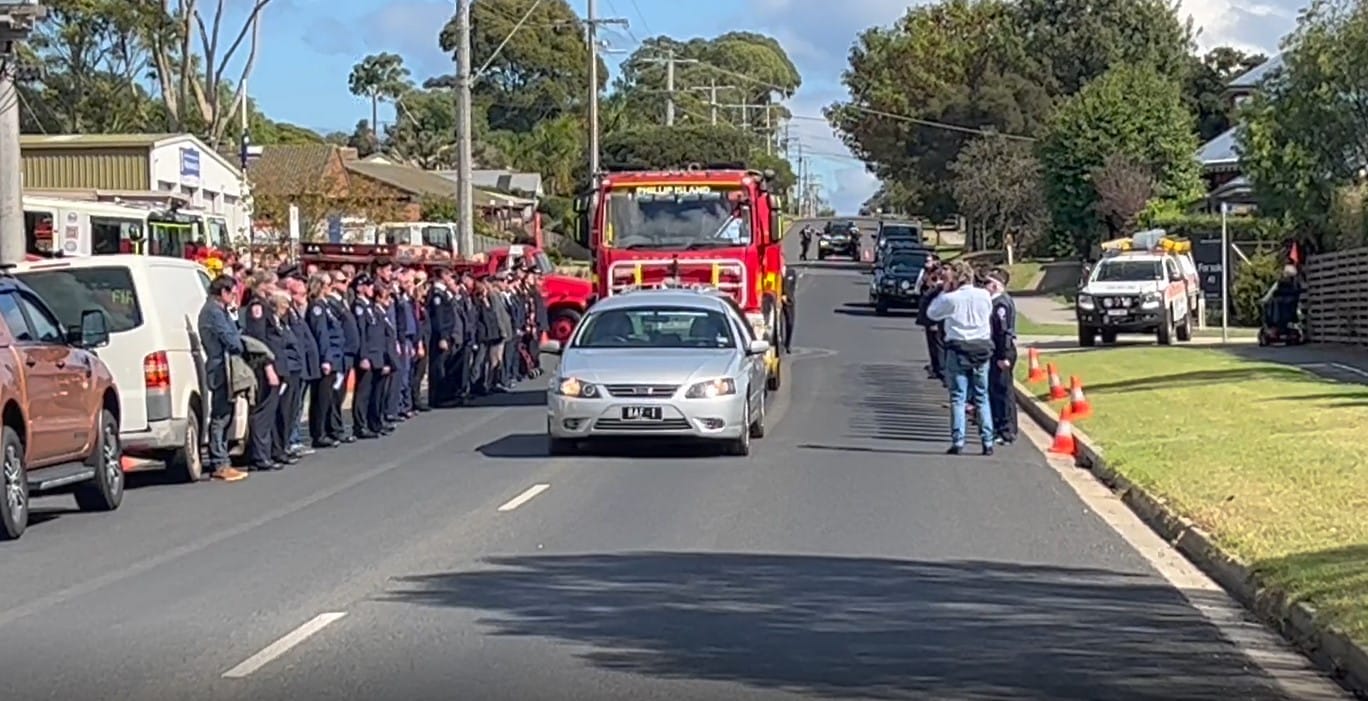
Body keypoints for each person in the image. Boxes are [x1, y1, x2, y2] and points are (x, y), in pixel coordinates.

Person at [926, 261, 996, 456]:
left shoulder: (951, 299)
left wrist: (944, 291)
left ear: (955, 279)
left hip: (958, 348)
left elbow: (932, 313)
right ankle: (987, 441)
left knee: (958, 397)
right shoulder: (984, 296)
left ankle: (958, 440)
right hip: (981, 348)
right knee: (982, 395)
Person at [197, 275, 248, 482]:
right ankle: (219, 462)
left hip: (225, 366)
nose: (234, 297)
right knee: (221, 416)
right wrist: (239, 342)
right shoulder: (213, 312)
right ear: (223, 292)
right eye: (232, 293)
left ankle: (223, 459)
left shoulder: (222, 311)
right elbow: (231, 339)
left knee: (227, 414)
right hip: (220, 368)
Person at [240, 272, 284, 471]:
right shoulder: (257, 306)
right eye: (273, 283)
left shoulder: (265, 305)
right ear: (263, 285)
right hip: (263, 366)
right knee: (263, 411)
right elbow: (259, 341)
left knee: (270, 410)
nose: (275, 287)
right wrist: (268, 366)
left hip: (272, 363)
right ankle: (259, 455)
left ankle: (266, 452)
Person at [306, 273, 344, 448]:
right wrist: (326, 359)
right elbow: (321, 334)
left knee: (327, 397)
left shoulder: (326, 305)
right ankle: (318, 433)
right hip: (326, 357)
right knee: (320, 399)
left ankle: (325, 431)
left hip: (334, 354)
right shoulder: (317, 307)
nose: (331, 288)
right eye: (328, 285)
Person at [270, 292, 304, 466]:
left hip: (294, 369)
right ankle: (278, 449)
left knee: (291, 411)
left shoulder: (284, 323)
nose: (287, 309)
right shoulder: (273, 325)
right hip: (285, 370)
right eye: (284, 305)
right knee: (282, 412)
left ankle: (284, 446)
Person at [986, 268, 1018, 445]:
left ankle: (1007, 430)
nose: (985, 287)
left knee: (1003, 392)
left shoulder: (1000, 304)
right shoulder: (997, 302)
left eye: (988, 283)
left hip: (1002, 350)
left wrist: (1003, 355)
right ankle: (999, 427)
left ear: (996, 285)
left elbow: (1003, 332)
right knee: (997, 390)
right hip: (997, 350)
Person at [326, 270, 358, 443]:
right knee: (335, 394)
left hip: (347, 355)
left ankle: (336, 427)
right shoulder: (331, 304)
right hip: (339, 354)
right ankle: (334, 429)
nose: (347, 284)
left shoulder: (342, 302)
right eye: (342, 281)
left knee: (341, 393)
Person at [350, 274, 384, 439]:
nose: (372, 289)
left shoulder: (369, 306)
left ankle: (373, 423)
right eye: (368, 286)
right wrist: (363, 356)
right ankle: (360, 425)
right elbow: (361, 333)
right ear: (360, 288)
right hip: (367, 355)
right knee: (363, 392)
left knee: (373, 391)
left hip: (376, 353)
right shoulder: (359, 307)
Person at [781, 267, 798, 353]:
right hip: (777, 300)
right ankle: (780, 343)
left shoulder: (791, 273)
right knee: (779, 323)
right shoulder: (774, 272)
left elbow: (793, 287)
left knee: (790, 322)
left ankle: (787, 344)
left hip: (789, 301)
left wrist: (787, 296)